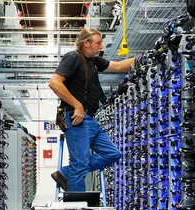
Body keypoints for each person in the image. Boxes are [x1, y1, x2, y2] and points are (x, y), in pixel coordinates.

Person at [48, 28, 135, 192]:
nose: (101, 47)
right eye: (98, 43)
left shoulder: (93, 60)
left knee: (112, 153)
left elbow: (118, 66)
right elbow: (54, 83)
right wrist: (77, 105)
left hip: (90, 119)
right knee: (79, 164)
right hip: (76, 118)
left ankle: (65, 173)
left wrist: (142, 58)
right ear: (86, 43)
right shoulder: (73, 57)